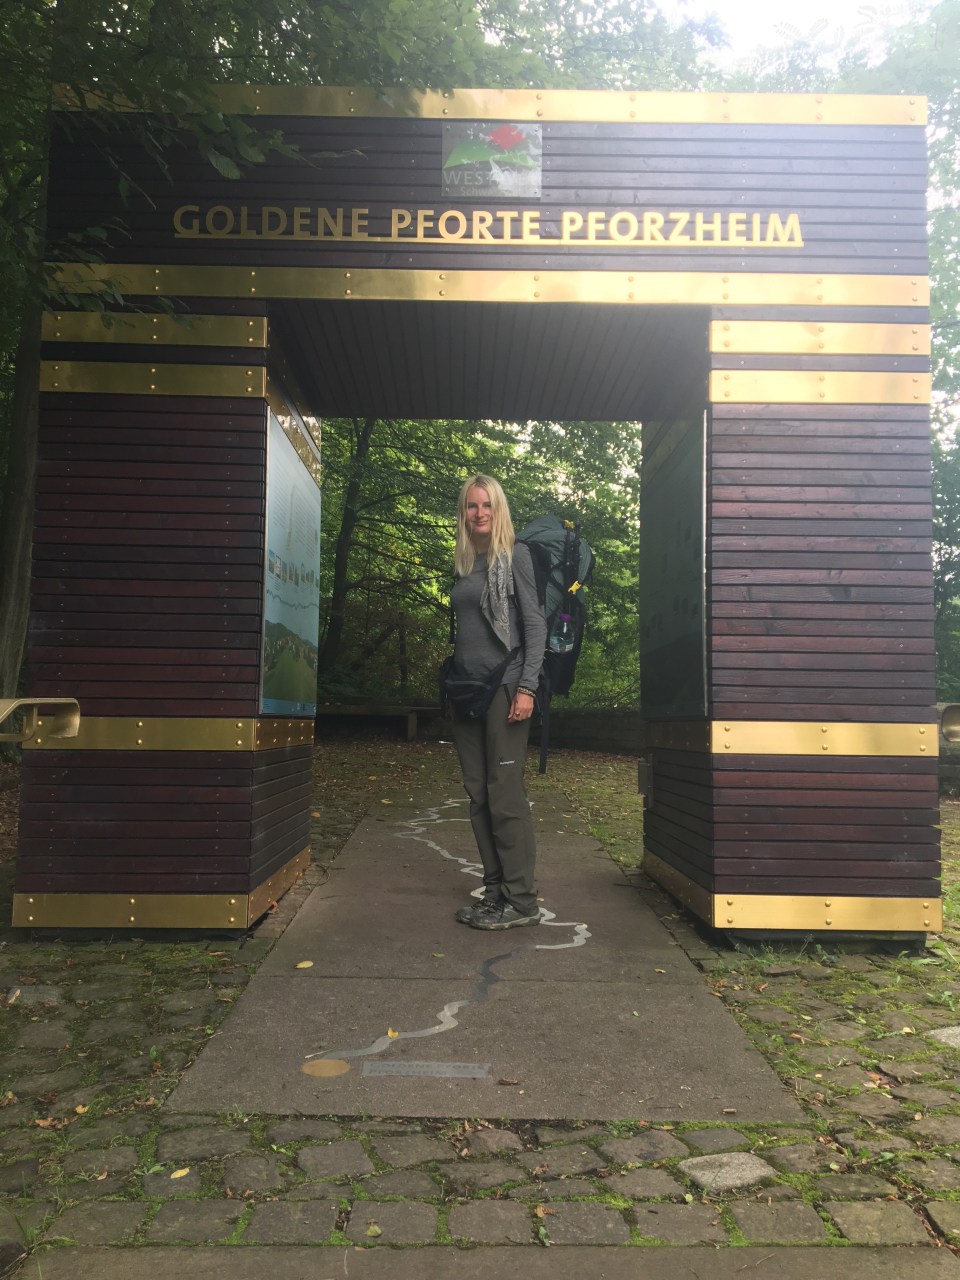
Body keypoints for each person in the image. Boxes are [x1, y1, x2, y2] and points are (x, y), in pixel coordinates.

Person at [449, 475, 547, 929]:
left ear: (498, 509)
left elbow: (535, 626)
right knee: (478, 795)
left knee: (505, 796)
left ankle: (521, 900)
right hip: (467, 691)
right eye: (472, 506)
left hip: (506, 688)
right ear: (464, 512)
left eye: (487, 504)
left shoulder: (515, 556)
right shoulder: (464, 562)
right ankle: (494, 893)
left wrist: (527, 688)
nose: (480, 513)